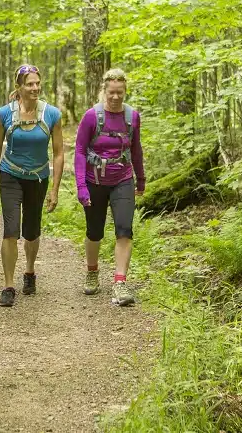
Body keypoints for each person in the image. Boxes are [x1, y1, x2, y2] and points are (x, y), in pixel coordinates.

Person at [0, 64, 64, 307]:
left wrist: (55, 190)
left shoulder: (52, 114)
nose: (35, 87)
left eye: (37, 83)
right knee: (11, 228)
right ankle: (8, 285)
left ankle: (29, 271)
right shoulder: (4, 114)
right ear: (18, 87)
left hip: (38, 178)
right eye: (30, 84)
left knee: (32, 230)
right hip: (10, 176)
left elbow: (59, 153)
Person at [73, 68, 145, 307]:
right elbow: (81, 151)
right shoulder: (92, 117)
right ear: (104, 90)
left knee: (125, 229)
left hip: (123, 179)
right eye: (111, 92)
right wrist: (81, 187)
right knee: (95, 231)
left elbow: (136, 150)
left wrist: (141, 179)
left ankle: (120, 281)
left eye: (120, 93)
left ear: (125, 92)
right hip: (95, 181)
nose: (115, 97)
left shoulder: (132, 117)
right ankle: (92, 271)